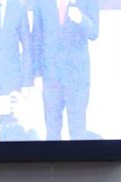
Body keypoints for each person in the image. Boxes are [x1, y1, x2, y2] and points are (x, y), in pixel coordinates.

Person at [32, 0, 98, 140]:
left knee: (78, 131)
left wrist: (81, 19)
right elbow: (36, 37)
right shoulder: (41, 2)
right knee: (52, 130)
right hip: (51, 77)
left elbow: (94, 33)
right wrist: (37, 73)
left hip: (77, 78)